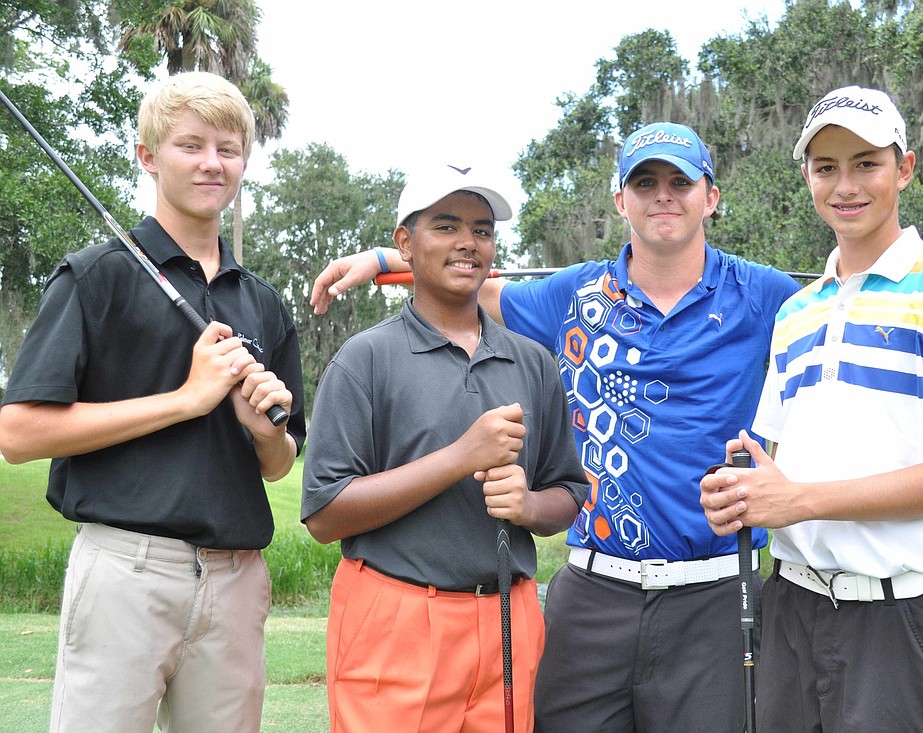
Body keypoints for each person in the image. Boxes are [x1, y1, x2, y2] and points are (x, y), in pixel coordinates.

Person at [310, 123, 797, 732]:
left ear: (712, 197)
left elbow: (843, 318)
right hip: (594, 594)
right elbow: (468, 282)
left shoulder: (768, 295)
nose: (663, 196)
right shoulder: (575, 293)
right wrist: (386, 259)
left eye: (681, 181)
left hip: (716, 594)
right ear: (621, 199)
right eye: (645, 182)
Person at [0, 71, 306, 733]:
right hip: (125, 569)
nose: (211, 162)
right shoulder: (96, 276)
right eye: (190, 145)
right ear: (148, 155)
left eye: (227, 148)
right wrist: (185, 399)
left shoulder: (262, 301)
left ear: (244, 162)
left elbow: (280, 464)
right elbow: (19, 431)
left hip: (235, 577)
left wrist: (264, 433)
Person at [699, 85, 923, 733]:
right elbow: (780, 468)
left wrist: (798, 500)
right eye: (826, 166)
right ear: (806, 175)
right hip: (792, 608)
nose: (846, 184)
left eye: (866, 162)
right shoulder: (796, 313)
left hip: (899, 619)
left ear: (906, 168)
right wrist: (745, 495)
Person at [301, 163, 589, 733]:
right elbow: (325, 514)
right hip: (396, 618)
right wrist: (461, 457)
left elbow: (570, 492)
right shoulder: (365, 360)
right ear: (404, 244)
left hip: (510, 617)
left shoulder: (532, 360)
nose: (467, 243)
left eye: (482, 230)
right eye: (446, 225)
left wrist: (530, 507)